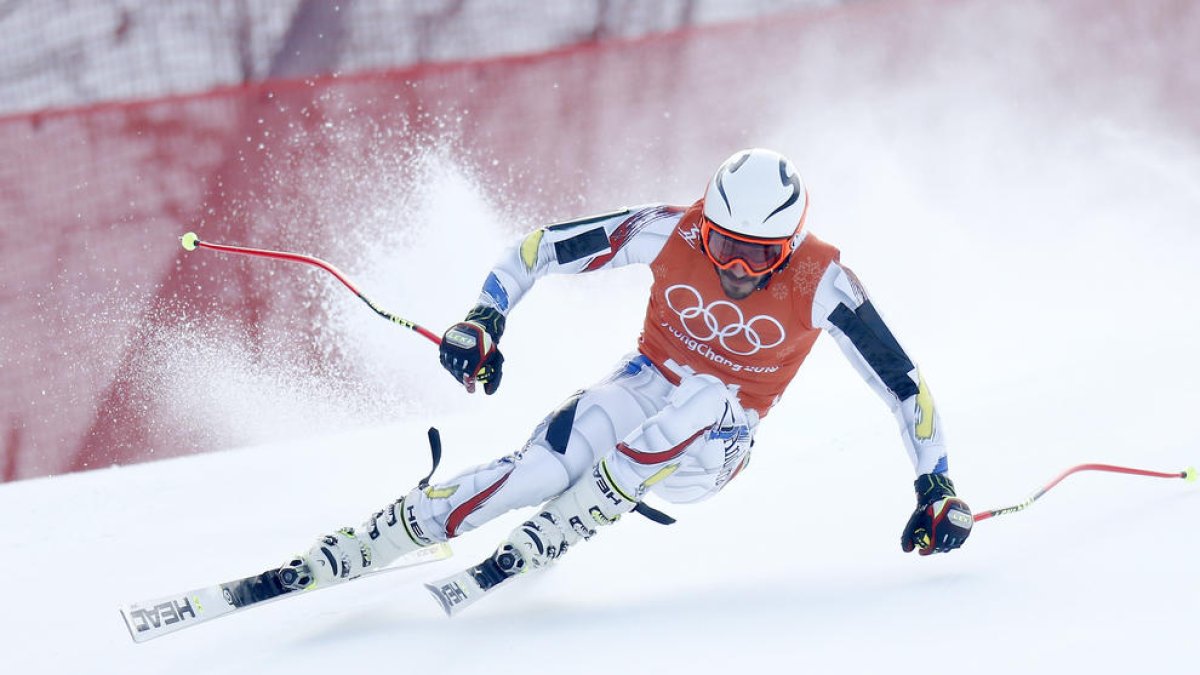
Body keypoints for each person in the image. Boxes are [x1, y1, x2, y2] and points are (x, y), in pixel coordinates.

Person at [281, 148, 973, 599]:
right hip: (644, 383)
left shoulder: (824, 281)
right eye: (725, 243)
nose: (735, 267)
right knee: (542, 467)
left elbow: (903, 384)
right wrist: (485, 318)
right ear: (706, 222)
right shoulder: (670, 229)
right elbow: (537, 248)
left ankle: (575, 520)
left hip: (715, 444)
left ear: (789, 247)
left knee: (705, 395)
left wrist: (934, 481)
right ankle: (383, 535)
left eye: (758, 255)